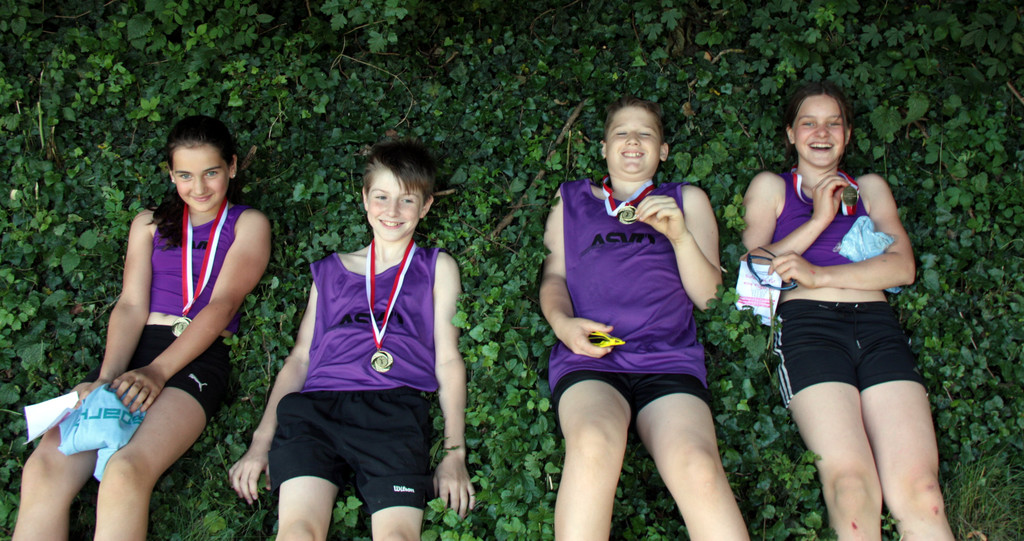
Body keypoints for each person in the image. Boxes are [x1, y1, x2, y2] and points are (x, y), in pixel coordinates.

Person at [14, 115, 272, 541]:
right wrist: (107, 377)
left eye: (210, 172)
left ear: (231, 166)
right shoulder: (148, 224)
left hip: (196, 356)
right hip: (137, 347)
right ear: (171, 175)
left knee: (125, 471)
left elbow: (222, 304)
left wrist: (158, 371)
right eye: (185, 175)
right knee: (43, 466)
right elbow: (131, 304)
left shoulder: (248, 223)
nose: (199, 187)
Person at [228, 140, 474, 541]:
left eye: (407, 200)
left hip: (393, 413)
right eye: (382, 197)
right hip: (317, 410)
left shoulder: (436, 267)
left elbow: (448, 359)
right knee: (298, 532)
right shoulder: (330, 271)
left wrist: (454, 453)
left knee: (397, 537)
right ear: (364, 199)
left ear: (426, 206)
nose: (392, 211)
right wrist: (261, 442)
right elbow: (300, 360)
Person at [741, 81, 954, 540]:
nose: (822, 132)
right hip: (809, 330)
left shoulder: (869, 188)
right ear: (791, 134)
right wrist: (820, 217)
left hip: (877, 328)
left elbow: (902, 267)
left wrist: (816, 274)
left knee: (923, 491)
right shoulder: (772, 187)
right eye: (809, 123)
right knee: (852, 489)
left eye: (833, 123)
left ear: (848, 134)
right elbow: (754, 267)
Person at [539, 96, 749, 540]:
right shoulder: (571, 198)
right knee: (593, 444)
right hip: (593, 357)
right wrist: (563, 325)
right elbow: (554, 276)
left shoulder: (686, 199)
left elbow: (711, 299)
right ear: (603, 147)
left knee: (698, 465)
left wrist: (680, 237)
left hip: (667, 359)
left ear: (663, 150)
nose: (632, 140)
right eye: (621, 132)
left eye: (645, 133)